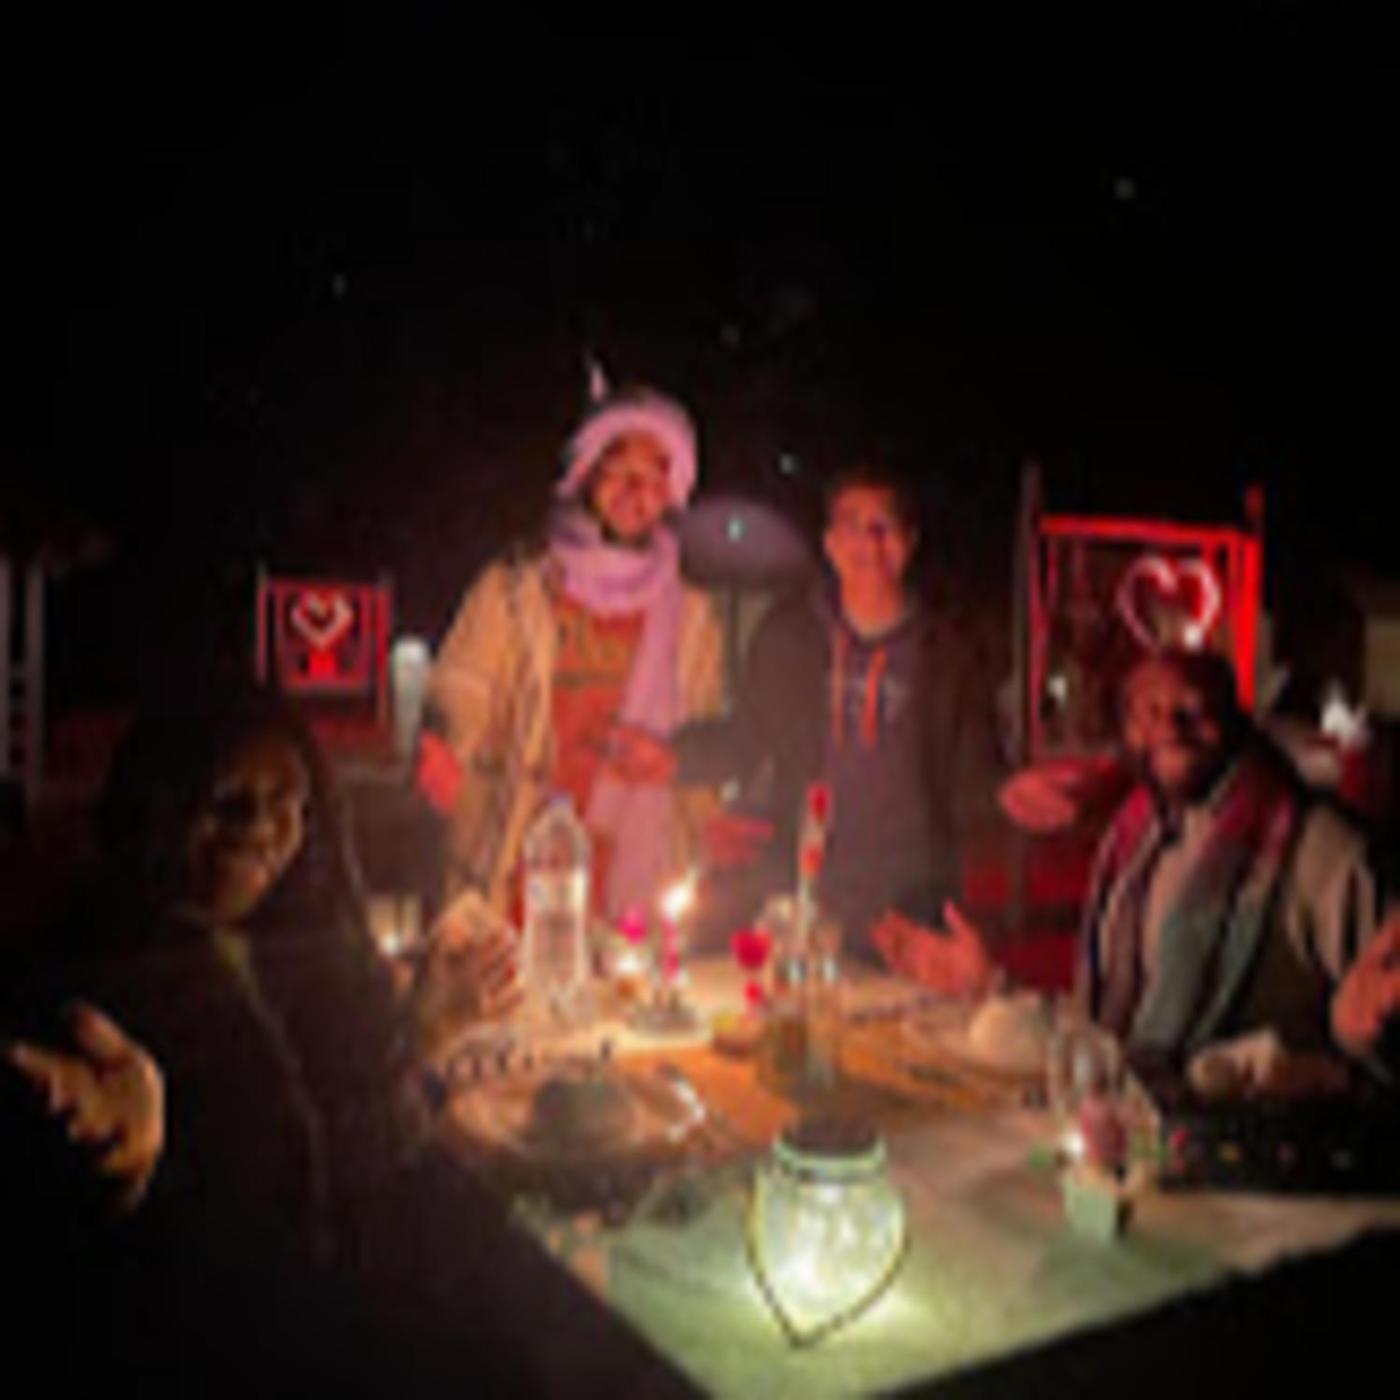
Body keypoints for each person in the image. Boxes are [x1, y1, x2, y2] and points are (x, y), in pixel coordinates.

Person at [880, 647, 1394, 1094]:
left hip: (1260, 1163)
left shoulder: (1317, 848)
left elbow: (1379, 1017)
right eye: (1150, 711)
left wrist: (1356, 1036)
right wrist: (993, 990)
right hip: (1134, 1144)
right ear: (1128, 729)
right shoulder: (1134, 841)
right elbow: (1103, 1033)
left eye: (1194, 708)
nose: (1170, 727)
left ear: (1236, 716)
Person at [614, 460, 999, 959]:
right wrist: (676, 758)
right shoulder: (789, 637)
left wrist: (1012, 789)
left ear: (909, 542)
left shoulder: (947, 650)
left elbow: (976, 768)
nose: (869, 543)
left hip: (911, 903)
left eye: (884, 526)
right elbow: (748, 737)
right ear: (830, 543)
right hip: (805, 894)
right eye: (852, 526)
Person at [421, 379, 723, 922]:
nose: (635, 492)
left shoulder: (692, 614)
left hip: (630, 859)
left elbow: (701, 726)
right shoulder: (516, 587)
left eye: (654, 479)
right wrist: (443, 744)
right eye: (619, 471)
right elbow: (463, 688)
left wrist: (706, 813)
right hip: (516, 844)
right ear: (586, 473)